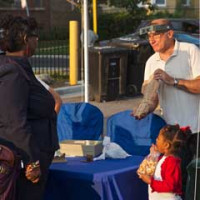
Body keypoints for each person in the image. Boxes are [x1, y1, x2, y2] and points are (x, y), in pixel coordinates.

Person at [0, 15, 59, 200]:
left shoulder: (19, 67)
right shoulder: (13, 72)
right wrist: (32, 161)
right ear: (26, 39)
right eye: (35, 36)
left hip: (33, 155)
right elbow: (14, 123)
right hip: (23, 163)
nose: (37, 40)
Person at [138, 124, 190, 200]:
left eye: (158, 138)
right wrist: (153, 155)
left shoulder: (172, 162)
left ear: (166, 145)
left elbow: (170, 186)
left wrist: (150, 181)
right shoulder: (164, 158)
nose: (156, 140)